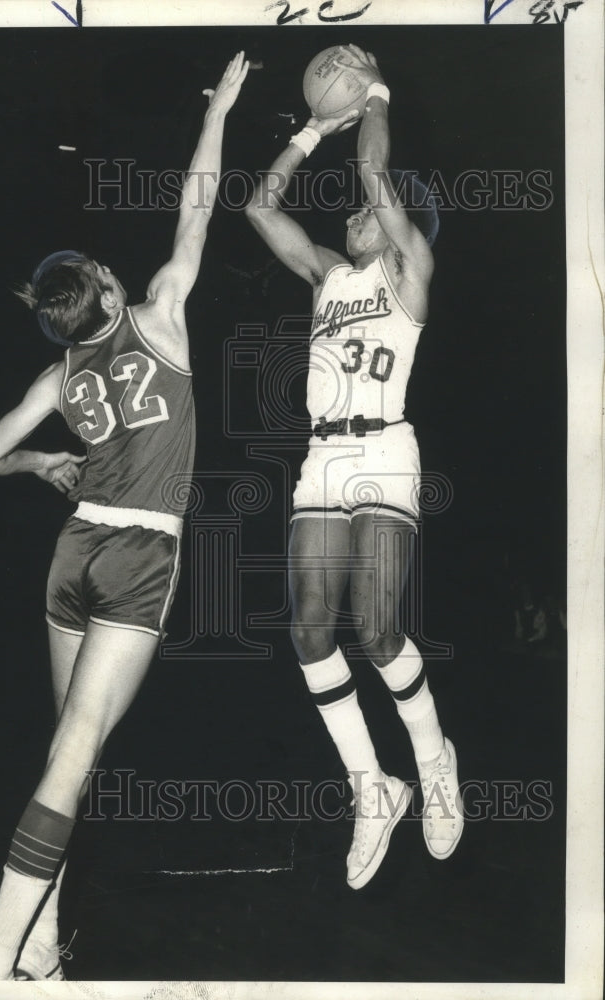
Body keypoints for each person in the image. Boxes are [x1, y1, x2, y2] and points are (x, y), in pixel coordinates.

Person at [0, 52, 249, 981]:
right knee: (75, 753)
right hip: (138, 556)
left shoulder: (57, 375)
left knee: (64, 752)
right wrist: (223, 109)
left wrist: (46, 461)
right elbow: (198, 199)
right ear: (109, 294)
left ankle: (39, 943)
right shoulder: (160, 317)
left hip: (71, 554)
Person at [245, 45, 462, 890]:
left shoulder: (410, 273)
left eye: (368, 214)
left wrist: (373, 92)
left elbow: (374, 172)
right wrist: (308, 130)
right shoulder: (328, 277)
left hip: (382, 449)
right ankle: (372, 789)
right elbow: (262, 209)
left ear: (399, 222)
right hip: (322, 456)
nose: (352, 217)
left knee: (375, 630)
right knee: (307, 630)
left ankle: (432, 758)